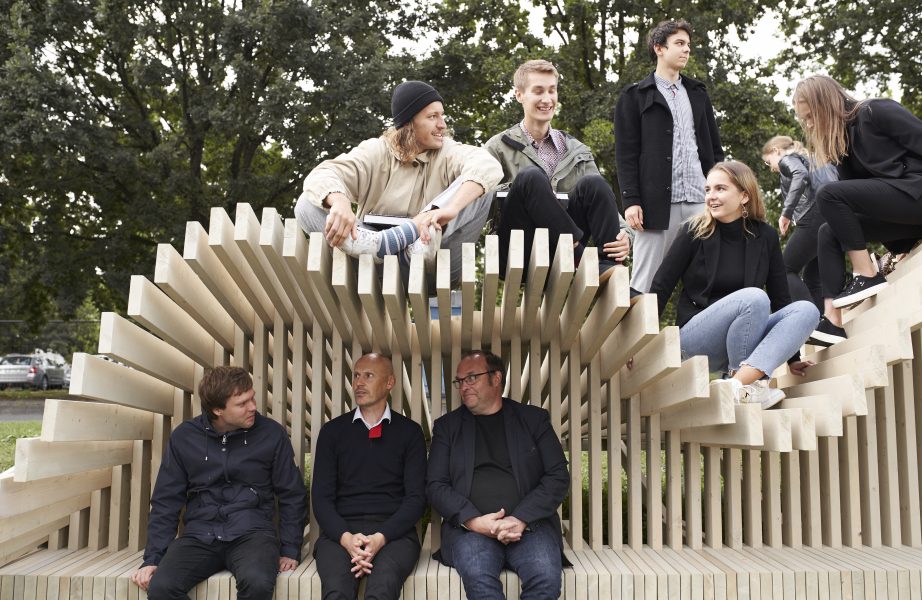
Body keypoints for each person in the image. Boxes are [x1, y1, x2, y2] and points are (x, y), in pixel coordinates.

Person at [295, 80, 502, 288]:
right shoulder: (376, 150)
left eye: (442, 115)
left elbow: (487, 165)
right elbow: (322, 174)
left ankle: (400, 239)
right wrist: (340, 201)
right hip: (370, 261)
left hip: (434, 266)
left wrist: (451, 209)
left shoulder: (448, 151)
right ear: (408, 123)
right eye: (432, 117)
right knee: (307, 203)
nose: (442, 124)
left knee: (481, 186)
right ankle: (381, 242)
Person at [649, 161, 820, 408]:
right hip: (696, 339)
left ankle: (737, 386)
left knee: (807, 310)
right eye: (708, 190)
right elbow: (661, 287)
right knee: (754, 298)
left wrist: (793, 358)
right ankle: (750, 389)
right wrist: (639, 343)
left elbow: (781, 298)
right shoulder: (693, 231)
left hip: (745, 339)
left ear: (744, 196)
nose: (711, 196)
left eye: (720, 188)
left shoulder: (766, 237)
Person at [130, 367, 307, 600]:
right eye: (242, 403)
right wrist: (153, 558)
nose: (253, 407)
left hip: (252, 534)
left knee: (257, 582)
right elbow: (166, 501)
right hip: (199, 535)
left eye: (252, 398)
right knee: (161, 588)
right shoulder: (185, 437)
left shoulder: (271, 434)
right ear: (217, 410)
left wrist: (290, 549)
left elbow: (292, 494)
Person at [426, 350, 569, 599]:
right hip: (470, 532)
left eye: (472, 378)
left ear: (496, 378)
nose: (464, 386)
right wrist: (474, 521)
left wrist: (520, 518)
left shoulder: (533, 420)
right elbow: (435, 485)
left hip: (530, 528)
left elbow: (557, 476)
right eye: (460, 381)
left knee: (545, 580)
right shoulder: (447, 427)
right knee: (479, 580)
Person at [792, 74, 922, 343]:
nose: (810, 124)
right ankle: (832, 321)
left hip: (917, 193)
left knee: (828, 194)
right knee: (827, 232)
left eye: (811, 116)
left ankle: (866, 275)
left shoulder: (875, 111)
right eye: (805, 120)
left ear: (826, 103)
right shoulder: (842, 146)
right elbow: (858, 207)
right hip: (906, 220)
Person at [484, 59, 632, 282]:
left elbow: (604, 202)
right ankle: (580, 257)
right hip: (518, 250)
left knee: (594, 184)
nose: (547, 99)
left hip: (559, 255)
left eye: (552, 91)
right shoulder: (497, 147)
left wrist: (626, 235)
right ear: (519, 95)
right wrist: (526, 192)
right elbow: (478, 204)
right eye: (538, 91)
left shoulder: (577, 150)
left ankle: (611, 273)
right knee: (531, 179)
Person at [614, 19, 725, 293]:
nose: (687, 49)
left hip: (700, 201)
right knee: (645, 283)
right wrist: (631, 201)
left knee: (706, 281)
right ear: (659, 48)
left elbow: (714, 149)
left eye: (688, 44)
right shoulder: (634, 96)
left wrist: (721, 192)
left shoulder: (698, 94)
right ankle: (635, 324)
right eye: (679, 43)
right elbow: (626, 154)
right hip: (655, 205)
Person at [311, 353, 427, 600]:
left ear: (389, 382)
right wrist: (346, 539)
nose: (359, 383)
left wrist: (380, 538)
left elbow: (416, 499)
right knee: (337, 590)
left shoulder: (410, 433)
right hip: (341, 534)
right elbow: (321, 499)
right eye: (356, 376)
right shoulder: (332, 432)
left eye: (369, 376)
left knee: (382, 588)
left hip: (394, 535)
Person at [761, 135, 837, 317]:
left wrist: (786, 212)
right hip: (830, 214)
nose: (771, 168)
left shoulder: (787, 159)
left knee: (785, 270)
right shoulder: (810, 157)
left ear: (776, 151)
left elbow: (800, 175)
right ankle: (823, 322)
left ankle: (811, 319)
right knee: (812, 276)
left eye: (768, 162)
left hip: (813, 216)